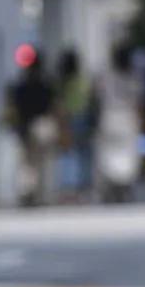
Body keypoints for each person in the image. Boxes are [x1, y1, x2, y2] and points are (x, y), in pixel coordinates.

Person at [94, 43, 144, 201]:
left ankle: (112, 185)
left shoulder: (105, 77)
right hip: (127, 117)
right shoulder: (134, 78)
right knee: (127, 153)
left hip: (109, 116)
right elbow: (139, 102)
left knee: (108, 153)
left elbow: (97, 98)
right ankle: (123, 185)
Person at [9, 52, 56, 206]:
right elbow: (52, 106)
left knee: (28, 164)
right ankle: (40, 194)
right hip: (42, 125)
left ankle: (28, 194)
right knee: (42, 162)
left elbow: (16, 109)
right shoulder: (46, 84)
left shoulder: (21, 85)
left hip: (29, 126)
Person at [54, 48, 96, 201]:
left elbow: (59, 104)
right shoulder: (83, 81)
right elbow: (91, 100)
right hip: (82, 119)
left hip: (68, 119)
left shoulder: (62, 83)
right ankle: (84, 187)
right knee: (83, 155)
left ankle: (68, 187)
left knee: (68, 154)